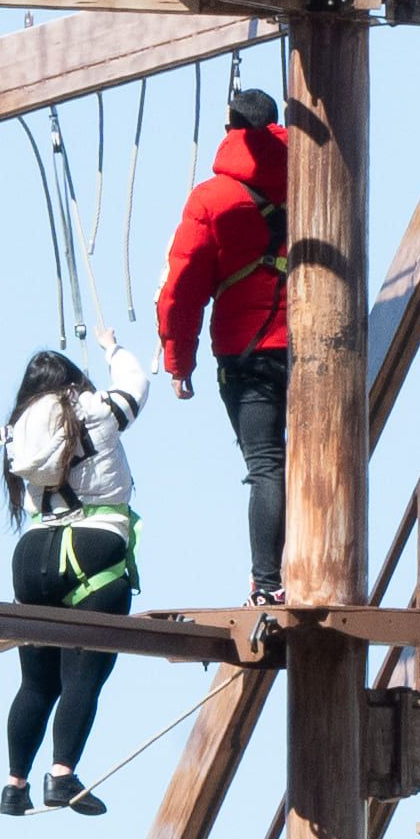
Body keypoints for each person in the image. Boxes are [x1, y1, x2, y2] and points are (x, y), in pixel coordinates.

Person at [154, 78, 298, 601]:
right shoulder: (315, 179)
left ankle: (268, 585)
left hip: (247, 351)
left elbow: (182, 289)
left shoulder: (211, 198)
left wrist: (178, 360)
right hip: (315, 346)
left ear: (231, 129)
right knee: (313, 462)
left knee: (266, 465)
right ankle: (311, 567)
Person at [0, 341, 146, 818]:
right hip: (92, 545)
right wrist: (114, 349)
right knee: (83, 673)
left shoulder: (16, 429)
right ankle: (62, 775)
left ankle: (14, 784)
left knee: (36, 684)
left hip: (34, 552)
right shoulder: (92, 409)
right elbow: (136, 387)